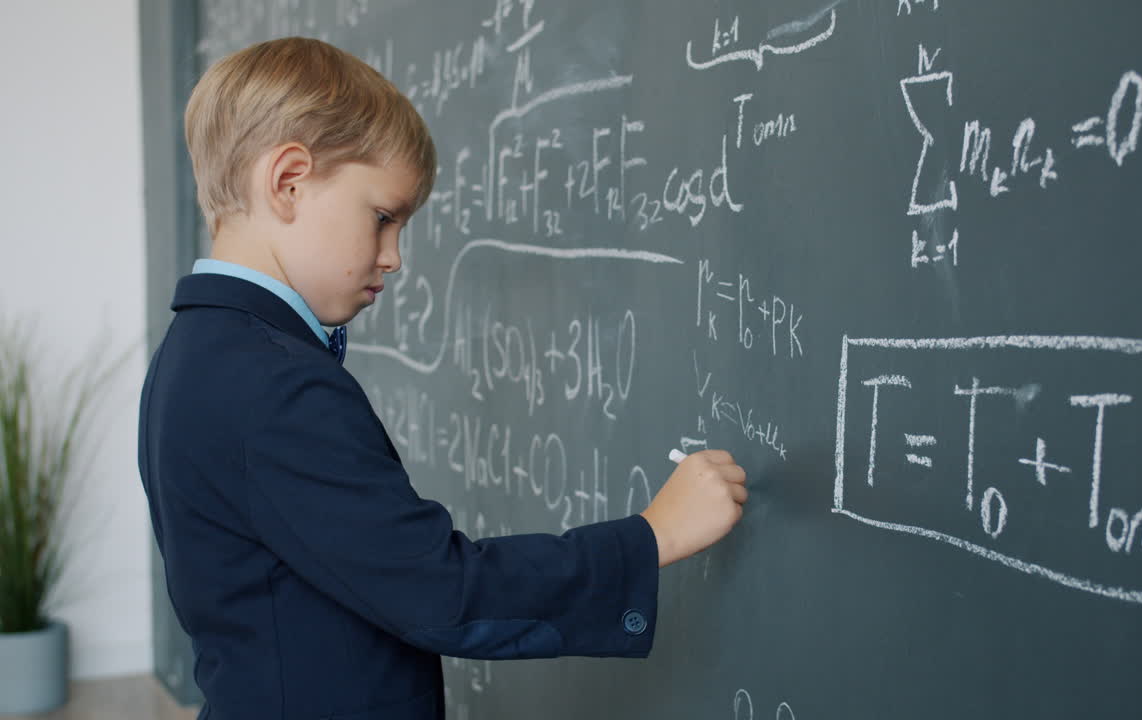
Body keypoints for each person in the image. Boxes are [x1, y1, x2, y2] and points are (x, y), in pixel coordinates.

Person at [137, 36, 748, 720]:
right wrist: (651, 537)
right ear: (288, 182)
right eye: (383, 218)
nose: (395, 257)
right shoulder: (272, 383)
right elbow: (437, 591)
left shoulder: (193, 352)